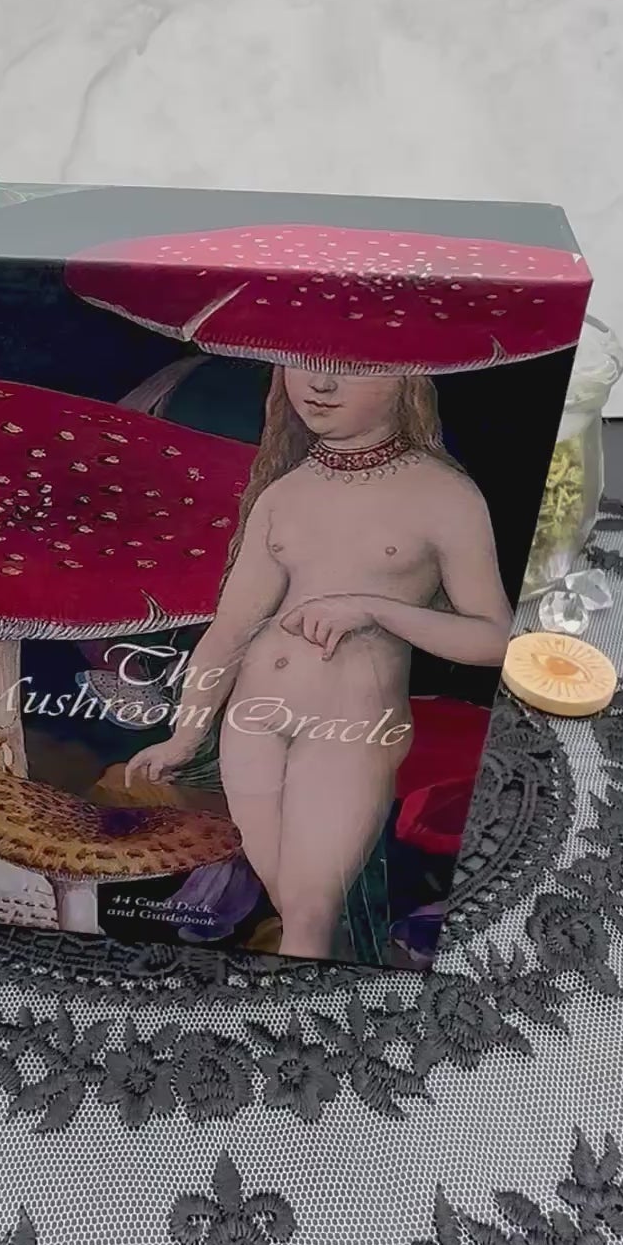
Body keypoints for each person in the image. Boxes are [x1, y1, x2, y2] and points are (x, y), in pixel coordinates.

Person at [125, 367, 511, 960]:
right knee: (295, 910)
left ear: (405, 382)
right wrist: (185, 736)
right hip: (251, 723)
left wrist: (374, 609)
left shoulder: (445, 495)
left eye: (351, 370)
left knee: (308, 915)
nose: (320, 386)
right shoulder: (283, 493)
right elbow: (230, 630)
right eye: (305, 363)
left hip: (350, 727)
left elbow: (495, 640)